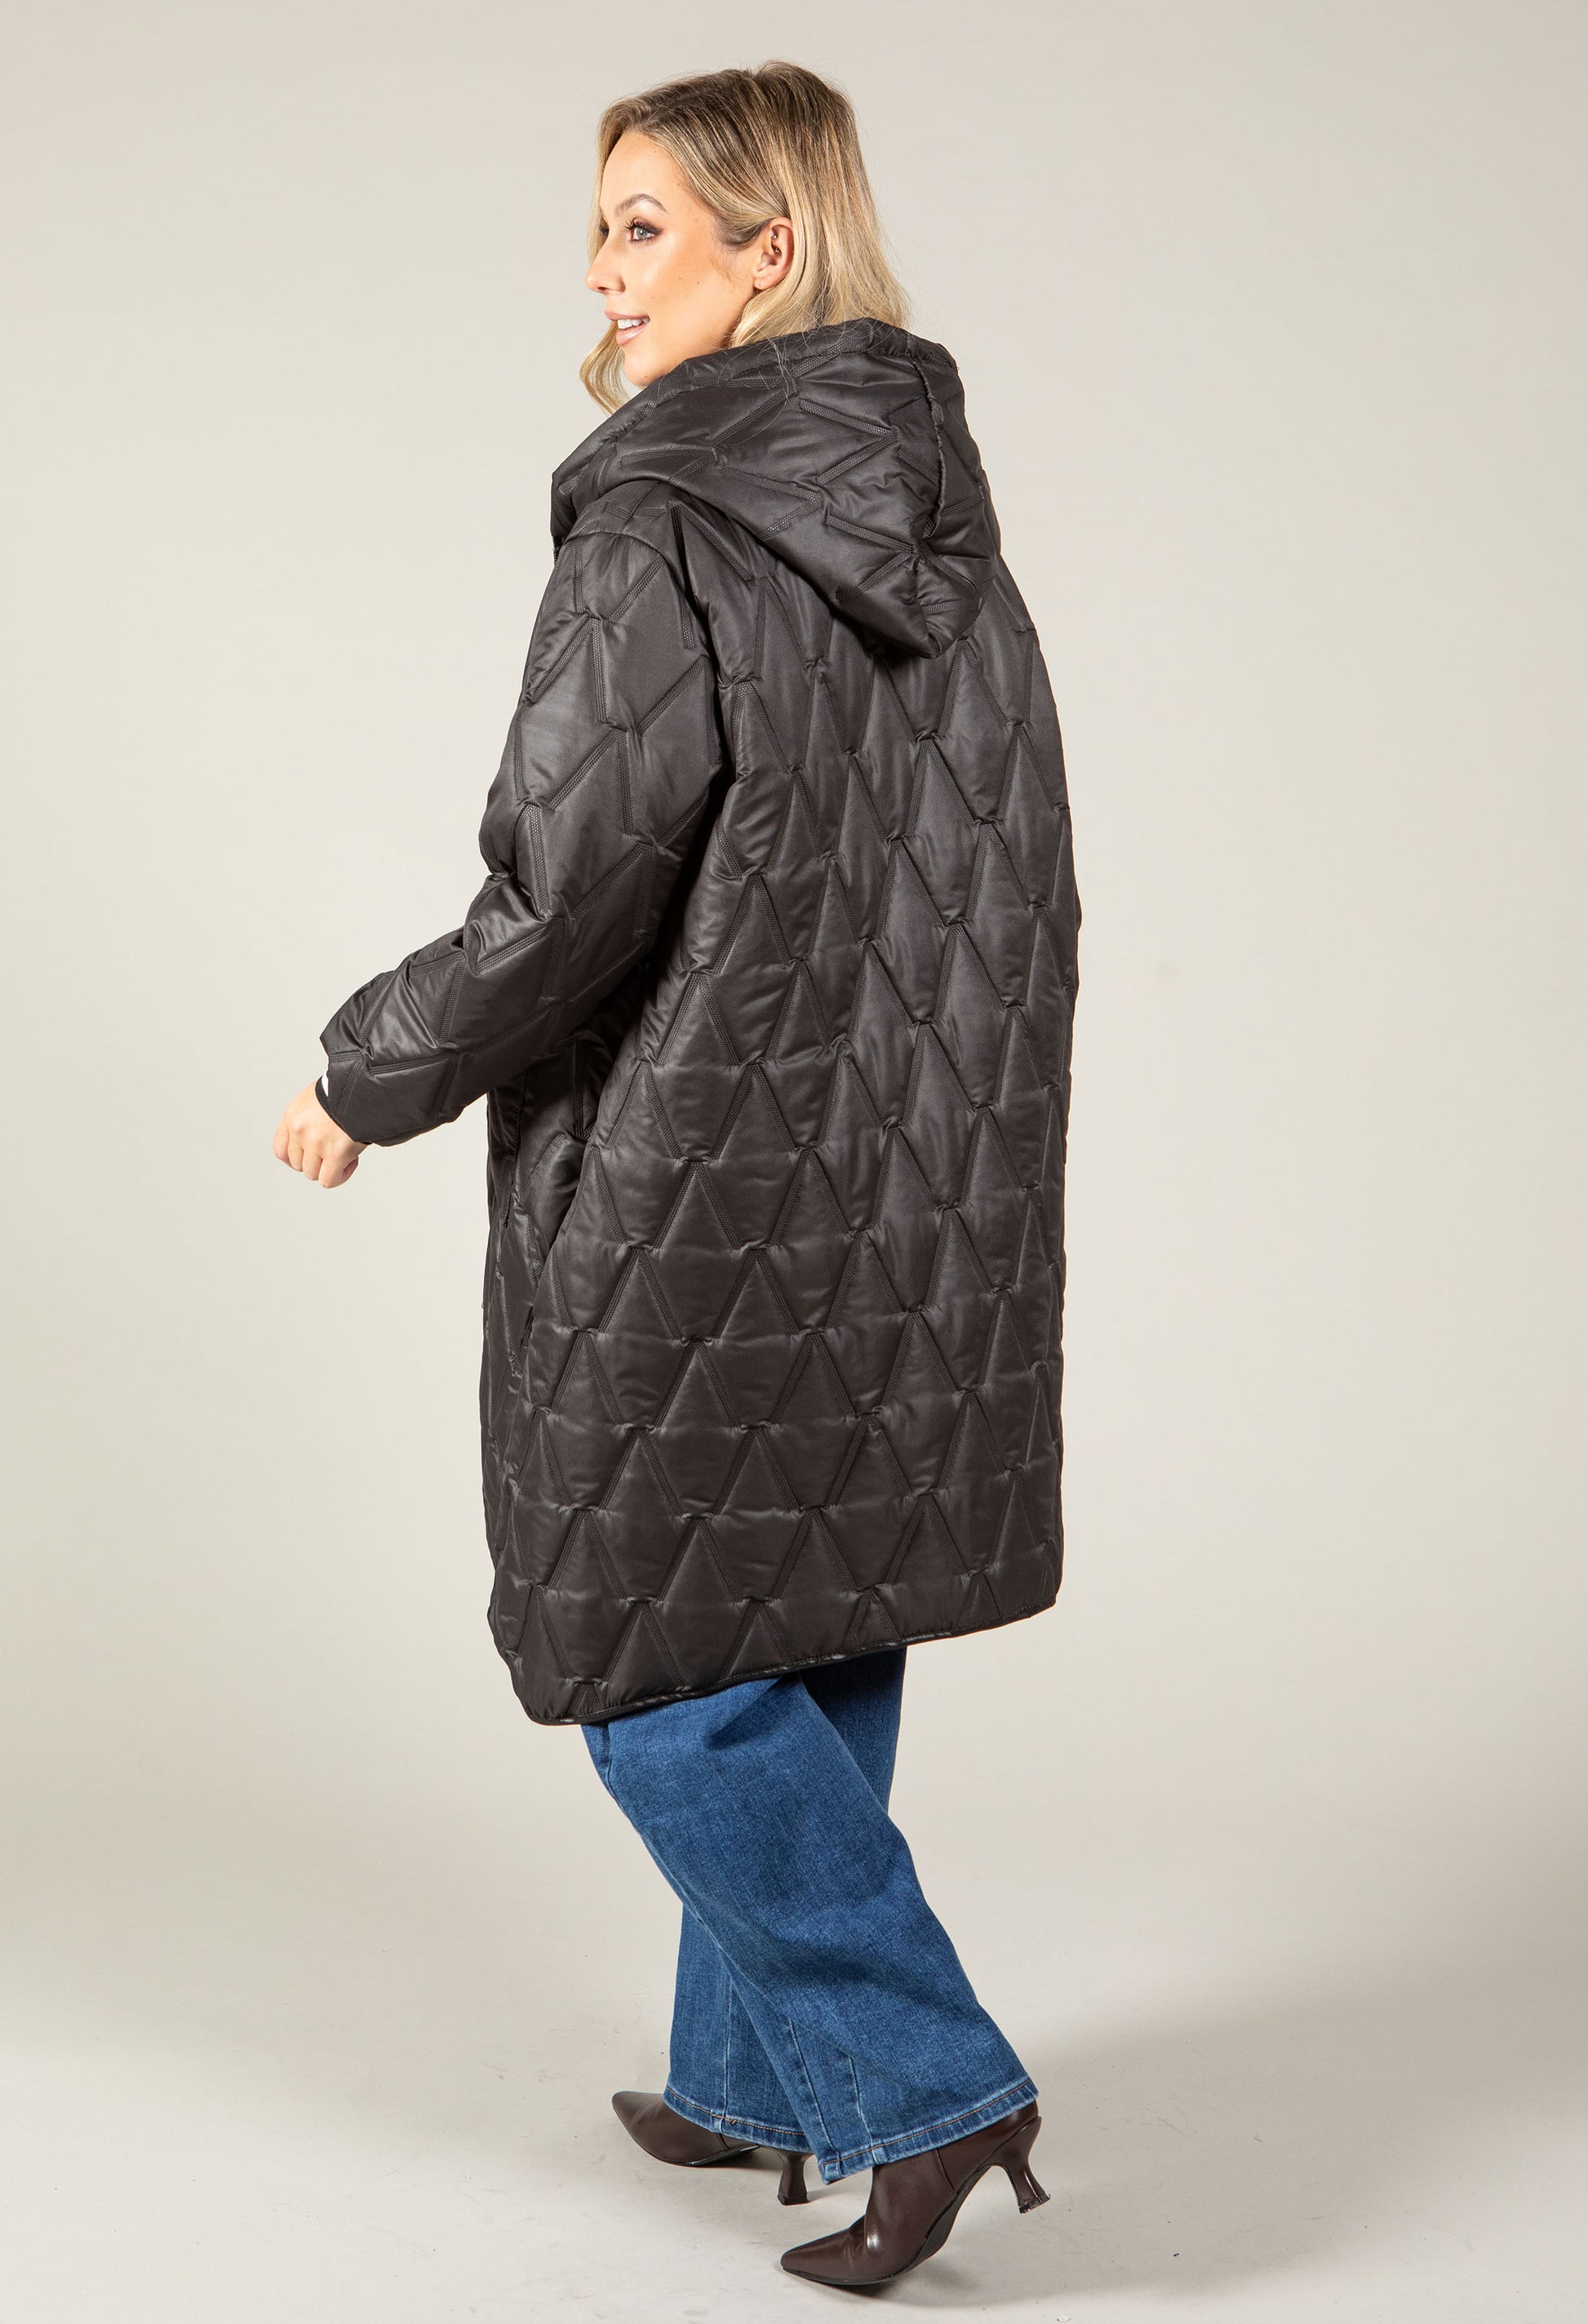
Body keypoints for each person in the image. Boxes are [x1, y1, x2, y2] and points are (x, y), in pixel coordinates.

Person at [273, 60, 1080, 2290]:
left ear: (766, 248)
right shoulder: (925, 505)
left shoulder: (662, 520)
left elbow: (569, 891)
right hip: (901, 1162)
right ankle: (756, 2080)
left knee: (651, 1659)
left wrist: (368, 1068)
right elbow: (1002, 871)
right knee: (803, 1603)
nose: (601, 275)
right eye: (601, 227)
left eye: (642, 226)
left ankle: (925, 2086)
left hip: (702, 1162)